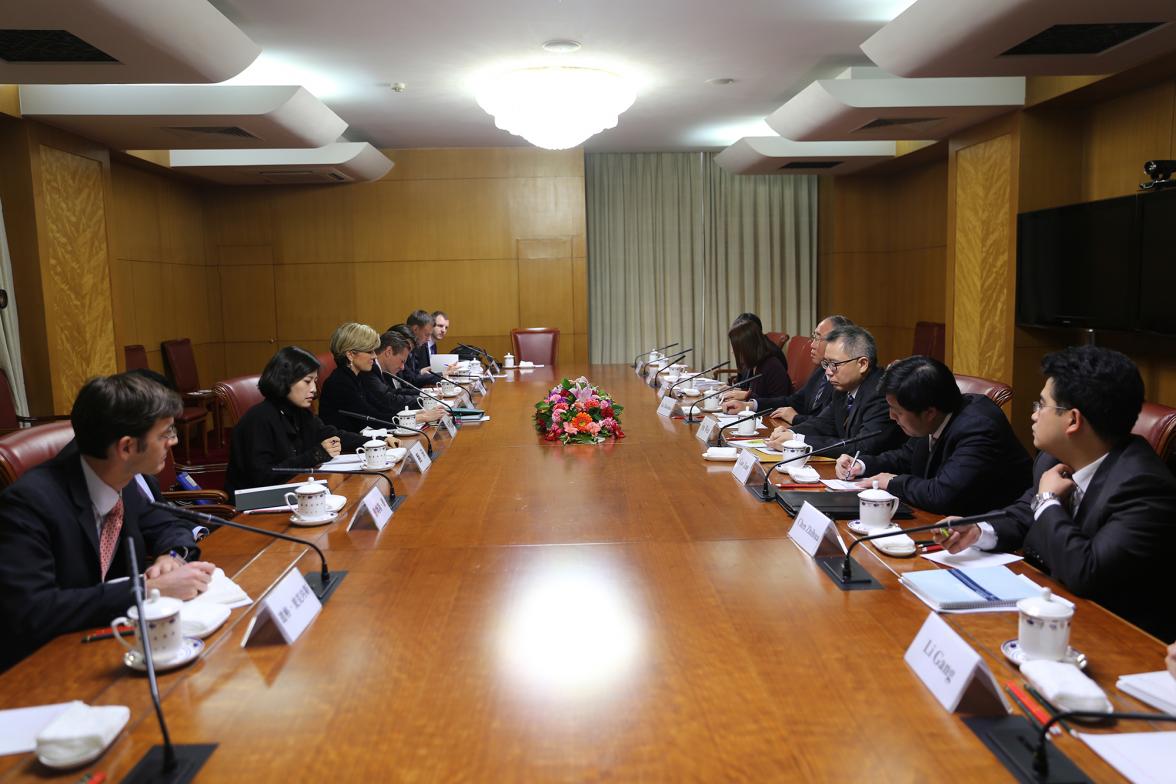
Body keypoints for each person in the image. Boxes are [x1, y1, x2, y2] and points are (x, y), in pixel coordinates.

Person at [935, 346, 1176, 642]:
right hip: (1051, 611)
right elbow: (1026, 512)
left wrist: (1049, 502)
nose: (1033, 415)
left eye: (1041, 404)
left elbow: (1088, 572)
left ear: (1073, 420)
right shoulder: (1052, 459)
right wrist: (978, 530)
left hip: (1117, 638)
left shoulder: (1144, 487)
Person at [0, 373, 216, 670]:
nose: (174, 440)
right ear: (126, 447)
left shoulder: (118, 479)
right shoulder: (29, 504)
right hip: (43, 667)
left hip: (114, 645)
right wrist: (148, 590)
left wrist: (172, 557)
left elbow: (168, 523)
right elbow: (34, 611)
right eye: (165, 433)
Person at [834, 356, 1032, 515]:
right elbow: (905, 457)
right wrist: (861, 465)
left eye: (897, 411)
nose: (891, 417)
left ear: (929, 412)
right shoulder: (934, 416)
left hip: (993, 534)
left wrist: (892, 482)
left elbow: (943, 494)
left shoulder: (979, 427)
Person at [225, 346, 385, 497]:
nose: (314, 389)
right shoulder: (258, 420)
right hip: (258, 502)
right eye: (307, 381)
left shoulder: (299, 411)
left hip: (293, 490)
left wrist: (377, 441)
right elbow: (263, 477)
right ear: (285, 380)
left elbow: (332, 435)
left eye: (315, 381)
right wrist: (315, 455)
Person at [765, 324, 903, 456]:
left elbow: (861, 447)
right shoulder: (843, 389)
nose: (828, 372)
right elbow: (822, 424)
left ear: (862, 364)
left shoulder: (880, 394)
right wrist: (790, 433)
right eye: (826, 363)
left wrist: (799, 441)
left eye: (834, 364)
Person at [723, 314, 851, 421]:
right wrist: (751, 405)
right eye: (813, 337)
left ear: (838, 343)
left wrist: (796, 418)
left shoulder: (844, 379)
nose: (812, 345)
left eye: (818, 338)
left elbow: (828, 425)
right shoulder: (820, 372)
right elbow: (794, 400)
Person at [367, 329, 445, 423]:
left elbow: (393, 392)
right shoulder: (369, 370)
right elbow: (388, 400)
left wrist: (424, 397)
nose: (403, 367)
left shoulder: (380, 369)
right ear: (388, 352)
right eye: (402, 361)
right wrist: (422, 406)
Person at [725, 318, 791, 404]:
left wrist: (746, 396)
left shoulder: (772, 366)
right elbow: (751, 391)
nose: (732, 351)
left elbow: (777, 403)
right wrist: (733, 390)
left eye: (735, 347)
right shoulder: (752, 363)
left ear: (747, 347)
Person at [401, 310, 442, 387]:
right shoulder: (402, 346)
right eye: (427, 335)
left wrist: (420, 372)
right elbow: (409, 380)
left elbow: (411, 373)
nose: (429, 339)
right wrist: (442, 375)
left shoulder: (415, 347)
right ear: (415, 329)